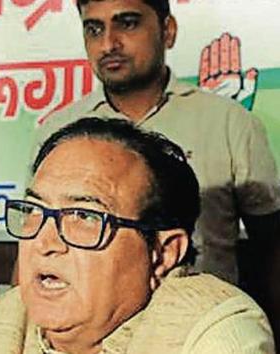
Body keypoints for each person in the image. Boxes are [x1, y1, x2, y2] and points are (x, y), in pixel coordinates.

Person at [35, 0, 280, 339]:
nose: (108, 44)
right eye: (94, 29)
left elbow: (271, 247)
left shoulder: (228, 122)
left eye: (128, 23)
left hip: (201, 333)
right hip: (88, 342)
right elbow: (35, 241)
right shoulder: (60, 133)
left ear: (168, 30)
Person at [0, 117, 275, 353]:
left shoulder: (211, 329)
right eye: (35, 210)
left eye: (83, 216)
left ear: (164, 252)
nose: (45, 243)